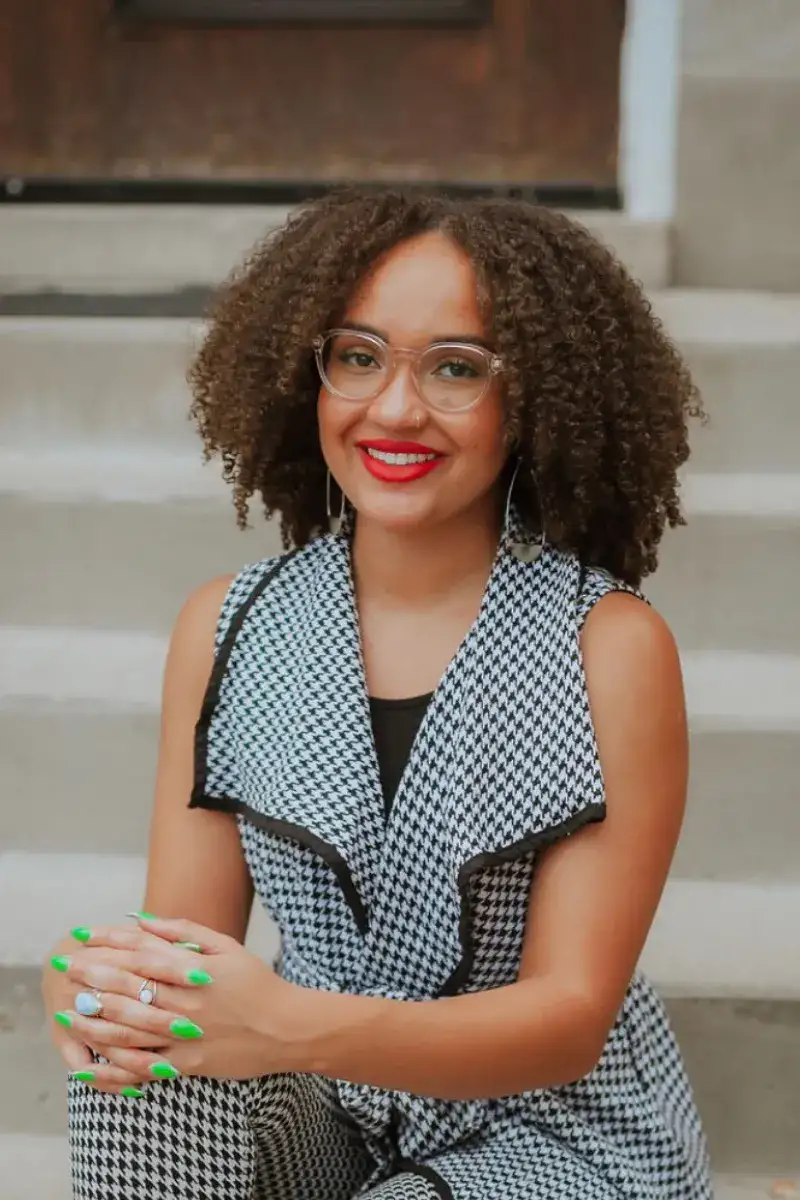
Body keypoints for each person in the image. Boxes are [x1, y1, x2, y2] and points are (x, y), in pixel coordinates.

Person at [42, 188, 712, 1200]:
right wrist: (99, 991)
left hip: (555, 1136)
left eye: (454, 368)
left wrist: (280, 1022)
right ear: (304, 375)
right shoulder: (228, 626)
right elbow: (184, 952)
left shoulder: (606, 644)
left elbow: (568, 1019)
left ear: (530, 399)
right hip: (338, 1110)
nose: (393, 409)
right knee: (142, 1070)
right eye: (356, 357)